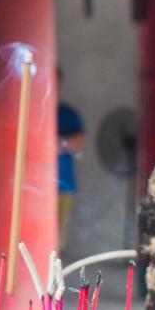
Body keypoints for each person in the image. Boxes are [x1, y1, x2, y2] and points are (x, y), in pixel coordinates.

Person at [57, 70, 86, 249]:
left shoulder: (68, 114)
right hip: (34, 187)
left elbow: (80, 142)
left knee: (58, 239)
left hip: (63, 185)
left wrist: (60, 143)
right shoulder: (33, 112)